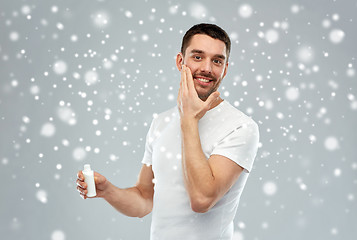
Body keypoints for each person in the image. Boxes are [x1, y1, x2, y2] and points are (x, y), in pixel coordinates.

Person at [76, 23, 259, 240]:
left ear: (225, 69)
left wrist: (189, 119)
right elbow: (145, 199)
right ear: (181, 62)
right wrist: (108, 191)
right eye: (198, 57)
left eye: (217, 61)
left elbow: (202, 200)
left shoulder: (240, 126)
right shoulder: (161, 123)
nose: (207, 69)